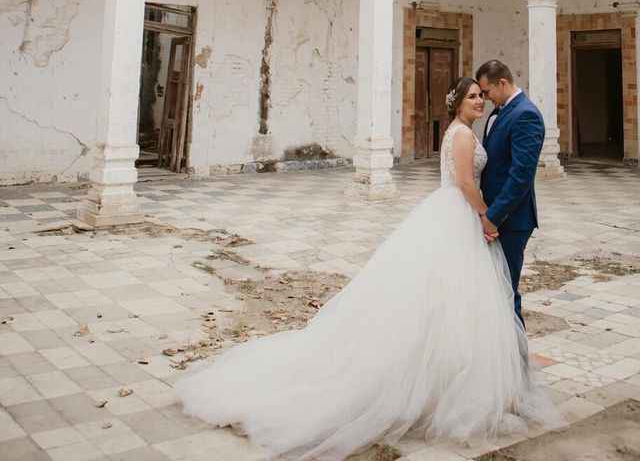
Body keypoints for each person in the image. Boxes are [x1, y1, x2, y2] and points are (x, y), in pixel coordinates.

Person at [174, 77, 562, 461]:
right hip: (458, 216)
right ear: (458, 102)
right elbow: (463, 181)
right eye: (473, 96)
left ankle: (457, 376)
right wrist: (486, 216)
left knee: (455, 302)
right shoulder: (462, 136)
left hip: (456, 218)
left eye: (482, 94)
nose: (480, 101)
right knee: (455, 296)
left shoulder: (469, 129)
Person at [476, 60, 545, 328]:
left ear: (502, 83)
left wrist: (493, 217)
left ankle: (516, 362)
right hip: (494, 216)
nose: (485, 98)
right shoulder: (500, 113)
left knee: (505, 291)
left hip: (512, 220)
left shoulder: (525, 114)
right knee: (494, 290)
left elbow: (520, 176)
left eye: (486, 91)